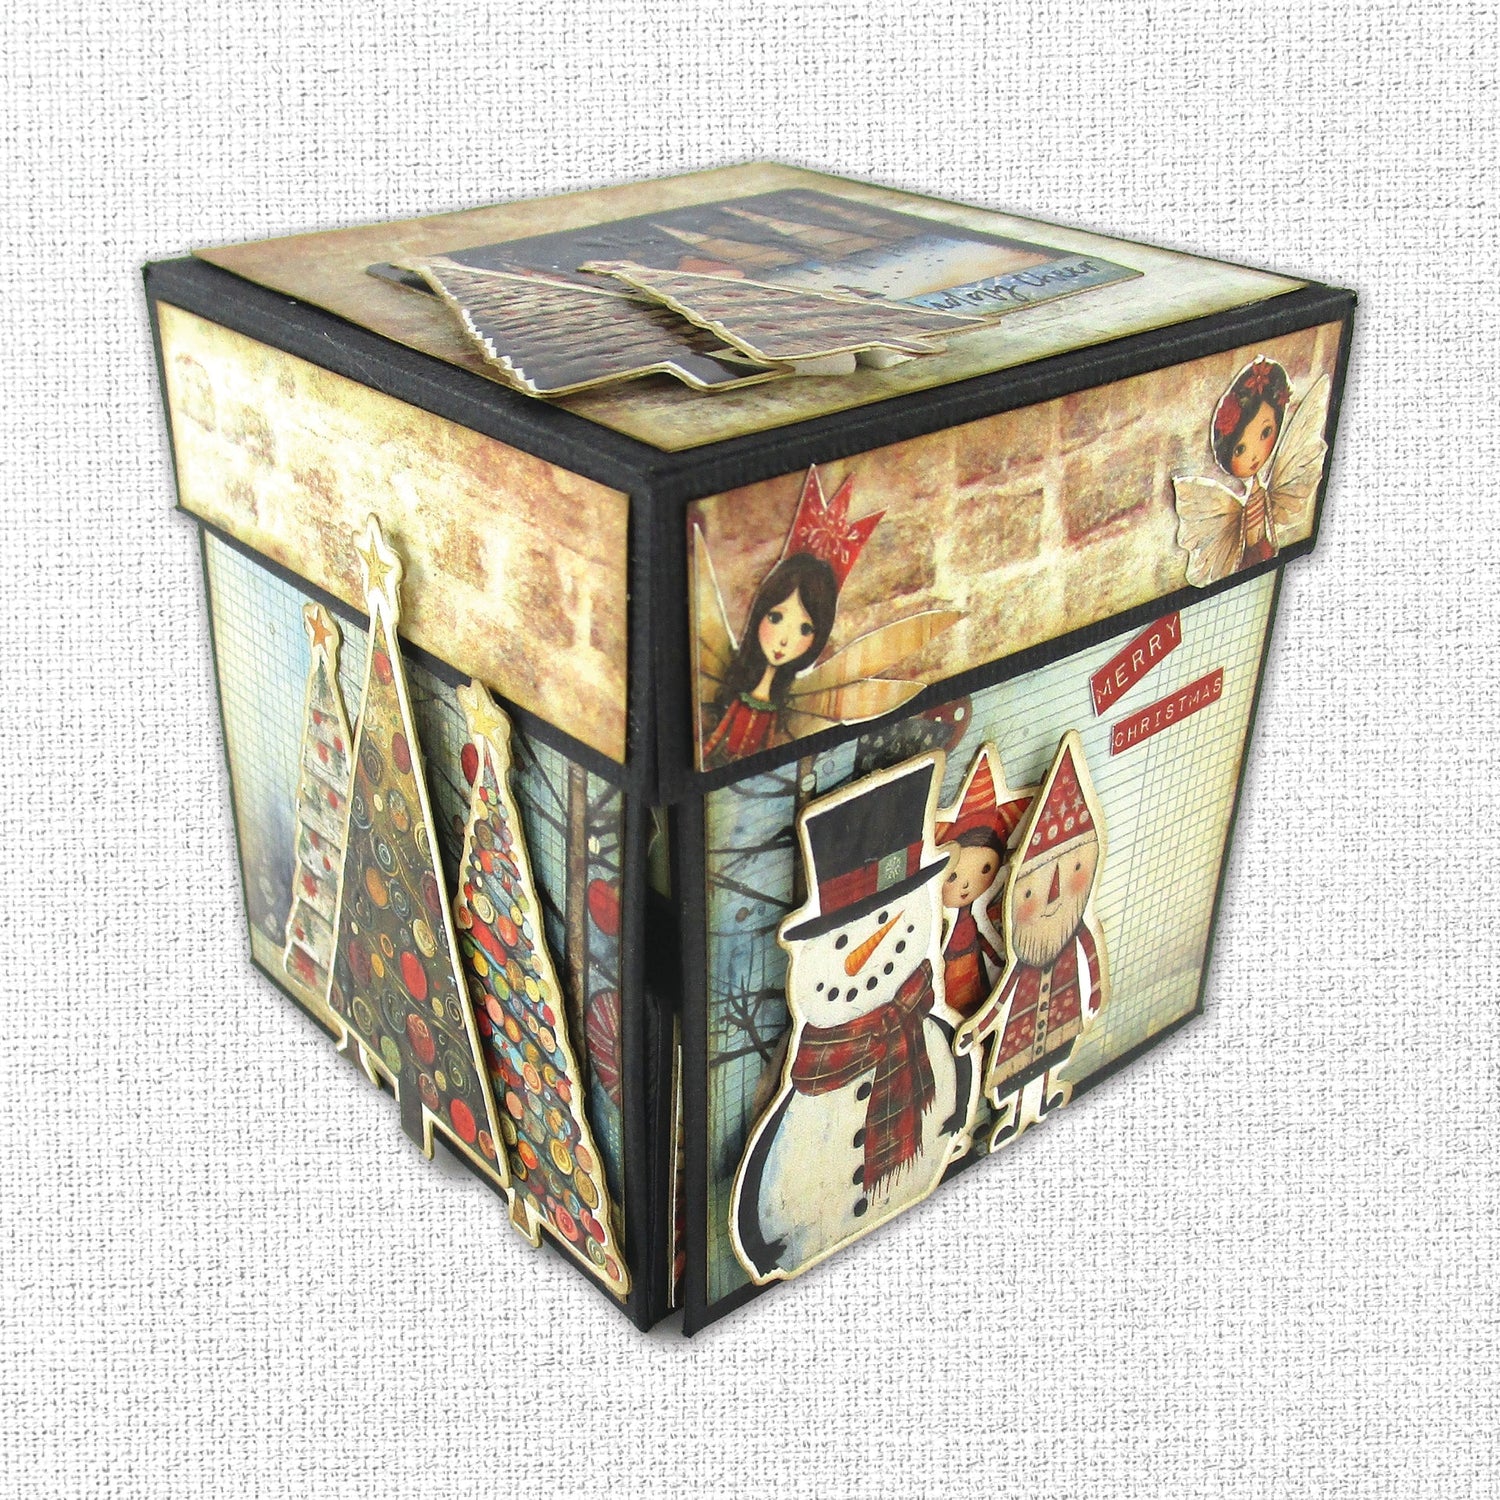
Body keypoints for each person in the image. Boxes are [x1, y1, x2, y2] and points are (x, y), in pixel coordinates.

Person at [701, 552, 837, 766]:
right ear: (760, 613)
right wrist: (707, 752)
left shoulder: (780, 704)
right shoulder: (741, 691)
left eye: (804, 629)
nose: (784, 640)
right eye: (776, 617)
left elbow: (769, 744)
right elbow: (720, 732)